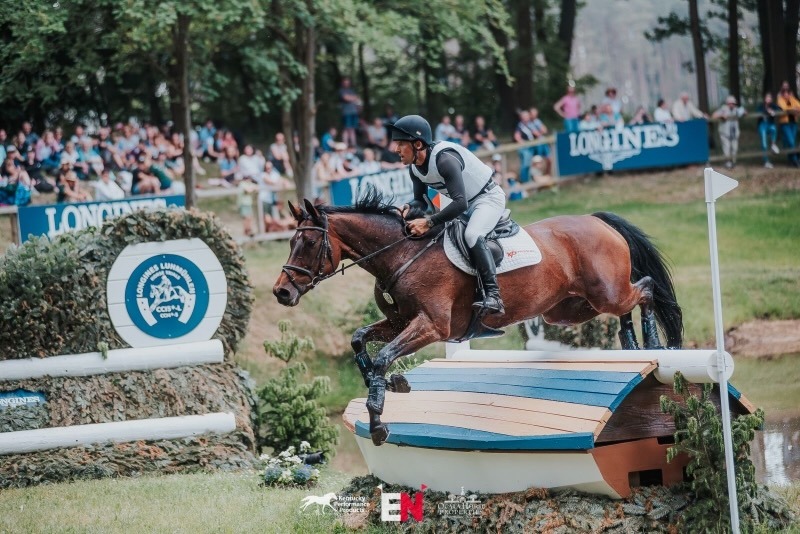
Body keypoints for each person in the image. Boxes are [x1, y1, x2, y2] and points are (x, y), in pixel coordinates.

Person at [389, 114, 506, 315]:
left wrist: (428, 222)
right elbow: (421, 202)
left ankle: (494, 296)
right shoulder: (415, 169)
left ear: (418, 144)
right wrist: (407, 207)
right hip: (460, 202)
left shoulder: (444, 160)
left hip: (486, 198)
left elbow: (461, 203)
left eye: (400, 144)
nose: (395, 149)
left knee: (472, 235)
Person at [711, 95, 746, 168]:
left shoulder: (736, 109)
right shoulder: (723, 109)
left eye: (733, 103)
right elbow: (714, 115)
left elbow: (745, 112)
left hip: (734, 133)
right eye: (730, 103)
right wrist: (721, 115)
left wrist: (744, 113)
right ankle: (727, 162)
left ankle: (733, 162)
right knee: (726, 148)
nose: (732, 104)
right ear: (727, 103)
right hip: (725, 133)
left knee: (734, 148)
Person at [776, 81, 800, 167]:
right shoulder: (780, 99)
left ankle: (790, 161)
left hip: (793, 123)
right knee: (791, 142)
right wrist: (793, 109)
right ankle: (796, 160)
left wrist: (795, 108)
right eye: (784, 93)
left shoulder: (792, 99)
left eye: (788, 92)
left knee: (791, 143)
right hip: (785, 124)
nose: (786, 94)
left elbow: (799, 106)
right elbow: (783, 108)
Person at [756, 92, 782, 168]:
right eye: (767, 97)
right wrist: (767, 111)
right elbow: (758, 112)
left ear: (771, 99)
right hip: (762, 125)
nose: (768, 99)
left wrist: (774, 111)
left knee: (773, 129)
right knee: (764, 144)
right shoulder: (761, 106)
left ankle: (773, 145)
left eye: (769, 98)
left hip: (770, 124)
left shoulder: (773, 105)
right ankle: (766, 161)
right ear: (764, 99)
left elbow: (780, 109)